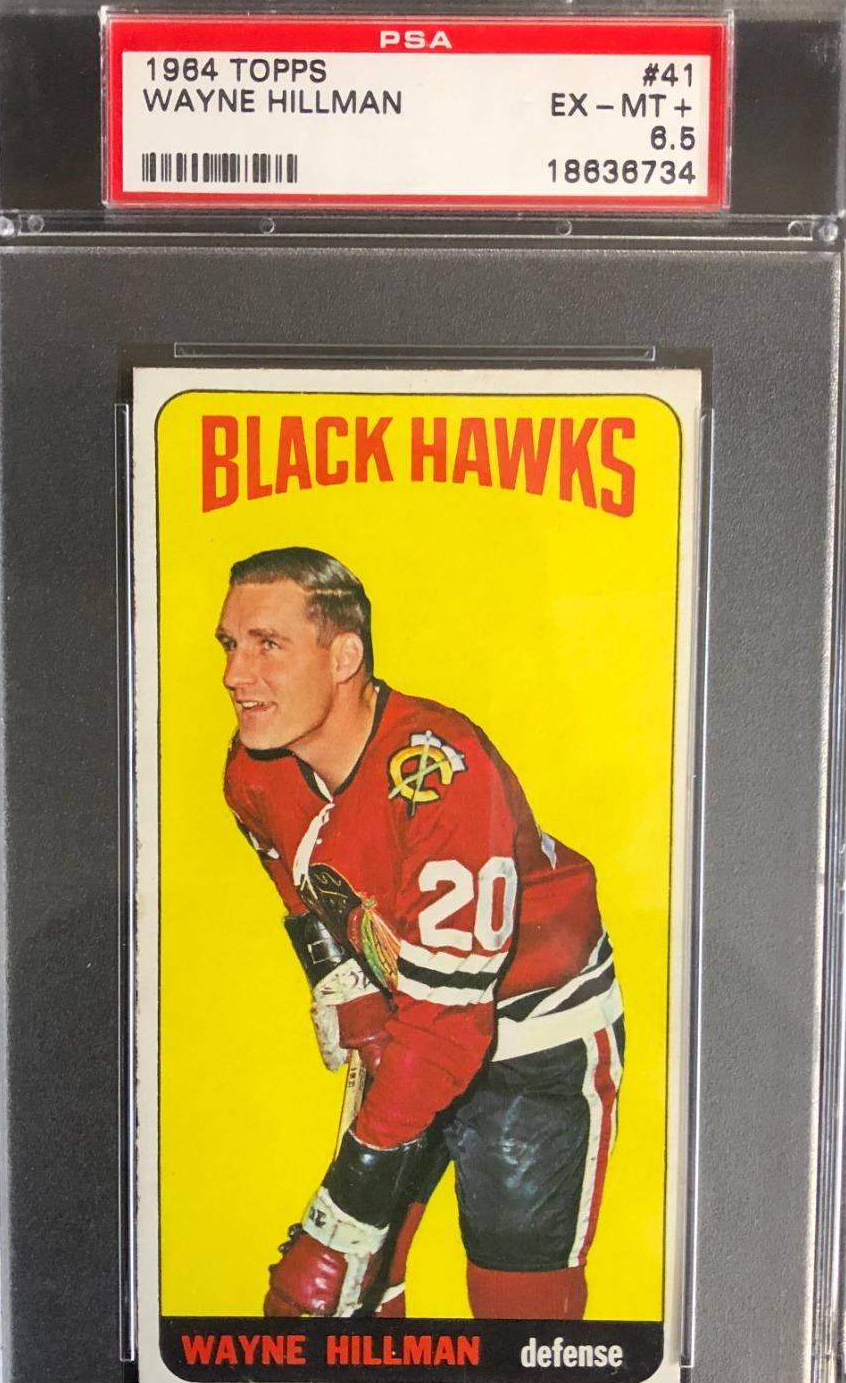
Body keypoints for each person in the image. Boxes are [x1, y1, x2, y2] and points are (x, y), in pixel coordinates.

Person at [218, 546, 623, 1320]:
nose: (237, 674)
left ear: (344, 658)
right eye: (231, 645)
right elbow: (291, 869)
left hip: (529, 1028)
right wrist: (341, 980)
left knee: (518, 1313)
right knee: (351, 1306)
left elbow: (448, 1031)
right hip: (418, 1012)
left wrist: (341, 1215)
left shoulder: (440, 775)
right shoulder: (255, 766)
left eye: (268, 644)